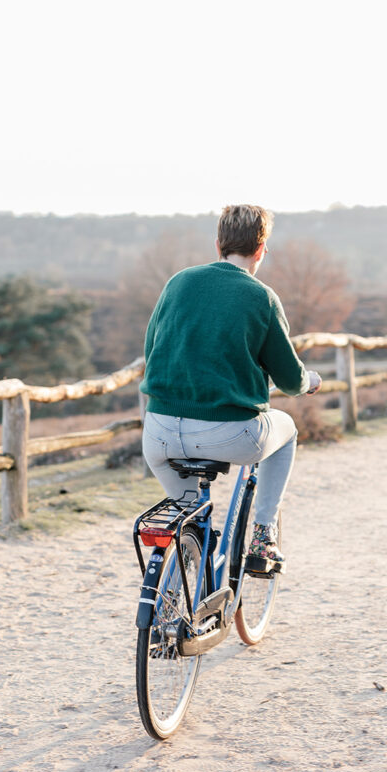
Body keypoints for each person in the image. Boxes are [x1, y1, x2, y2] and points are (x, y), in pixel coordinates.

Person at [140, 203, 321, 563]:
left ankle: (185, 579)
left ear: (218, 243)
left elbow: (151, 350)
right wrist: (309, 381)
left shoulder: (178, 282)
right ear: (261, 249)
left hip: (158, 434)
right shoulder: (261, 297)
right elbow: (289, 378)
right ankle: (262, 536)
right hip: (229, 436)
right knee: (287, 430)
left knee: (191, 519)